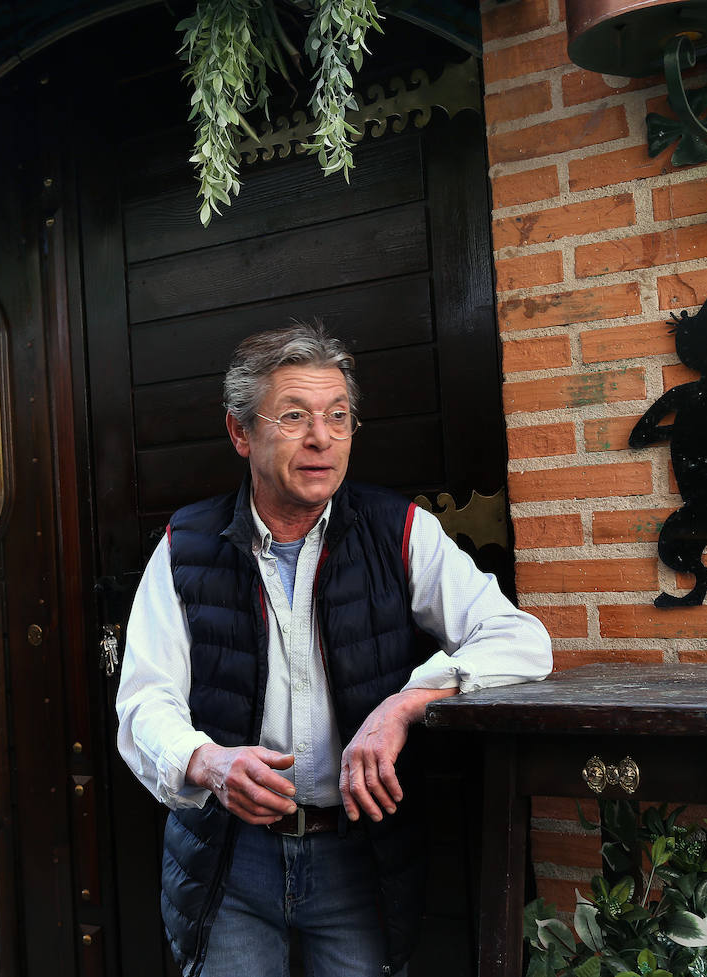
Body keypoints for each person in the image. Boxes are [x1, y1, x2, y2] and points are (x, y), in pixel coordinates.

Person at [115, 321, 552, 977]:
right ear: (241, 432)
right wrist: (206, 761)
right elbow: (144, 698)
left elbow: (521, 639)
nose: (322, 437)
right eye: (294, 416)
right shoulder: (187, 544)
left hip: (359, 856)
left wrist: (409, 702)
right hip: (231, 857)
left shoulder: (398, 529)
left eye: (338, 417)